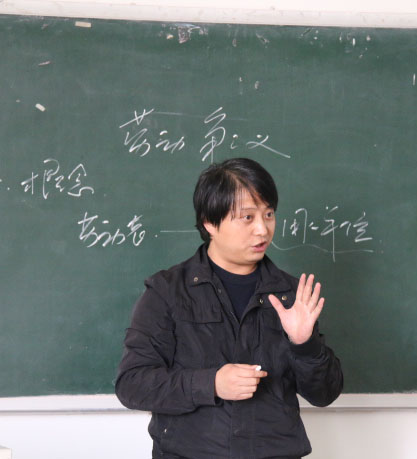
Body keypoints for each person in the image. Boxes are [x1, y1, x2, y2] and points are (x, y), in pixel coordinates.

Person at [116, 157, 343, 459]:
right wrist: (211, 383)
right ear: (210, 222)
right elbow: (132, 385)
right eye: (247, 217)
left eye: (269, 214)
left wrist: (304, 344)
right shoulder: (167, 291)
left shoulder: (291, 295)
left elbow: (324, 394)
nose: (263, 230)